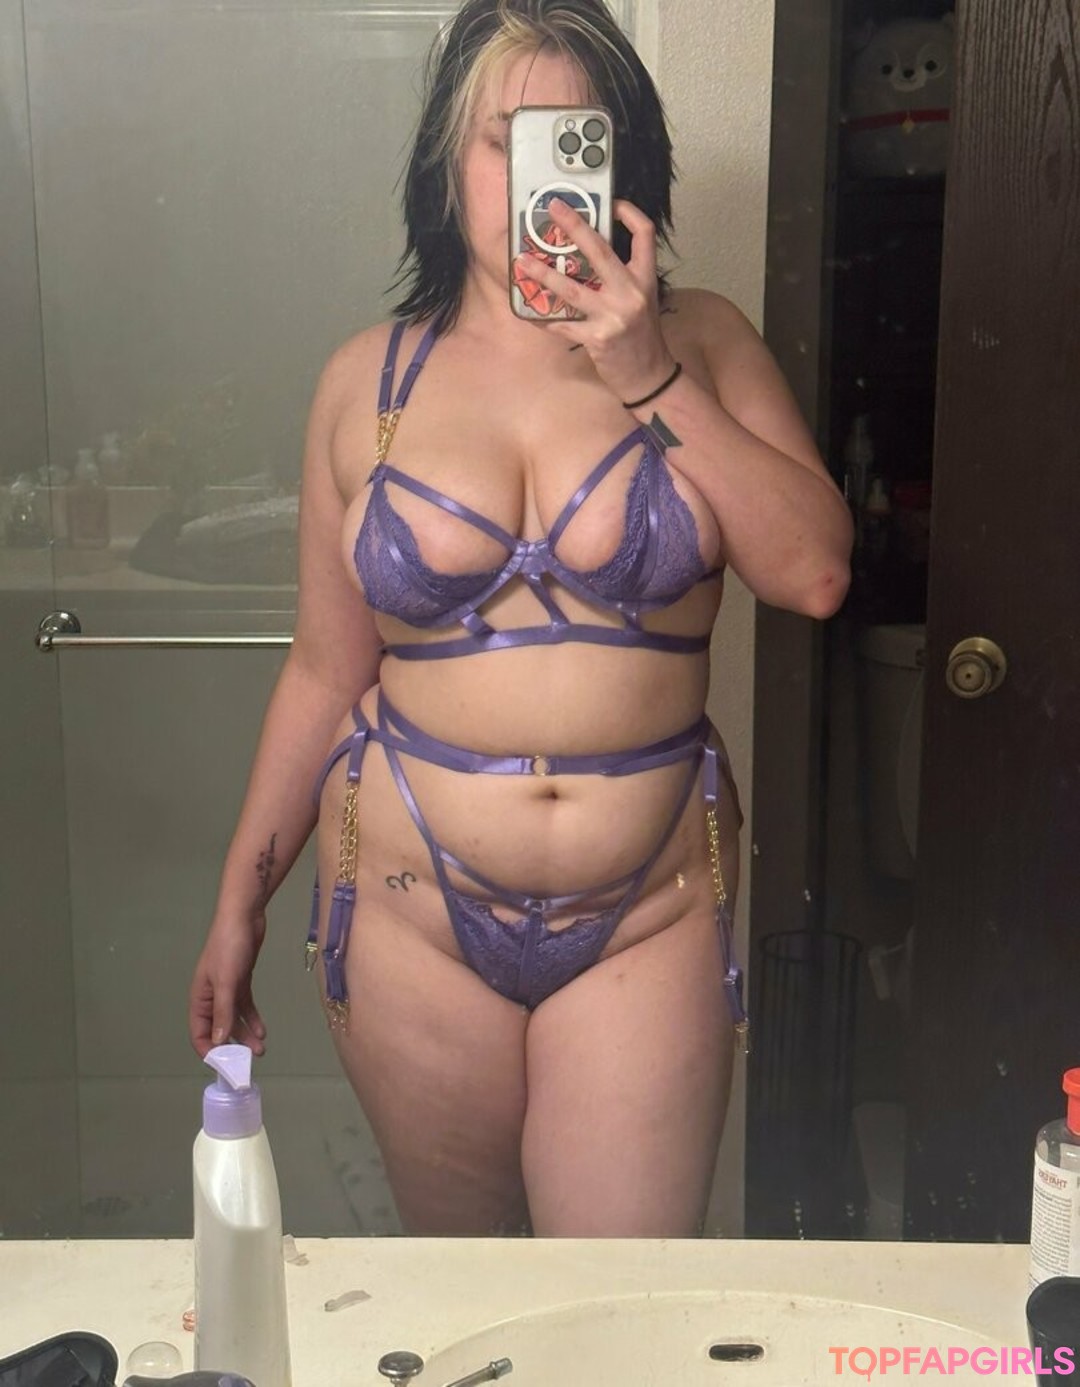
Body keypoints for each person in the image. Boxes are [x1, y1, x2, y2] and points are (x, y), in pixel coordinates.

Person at [188, 0, 853, 1238]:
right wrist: (240, 901)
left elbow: (814, 572)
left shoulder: (703, 343)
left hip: (648, 916)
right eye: (505, 139)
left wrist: (646, 373)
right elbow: (323, 672)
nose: (536, 176)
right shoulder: (368, 381)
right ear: (450, 162)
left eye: (574, 137)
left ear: (620, 160)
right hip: (409, 914)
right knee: (465, 1292)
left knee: (617, 1304)